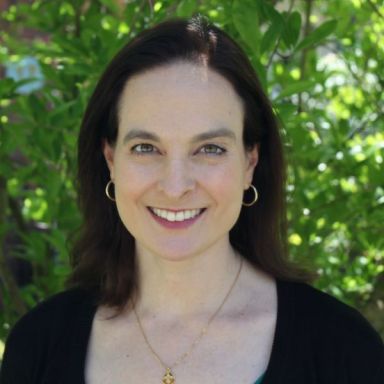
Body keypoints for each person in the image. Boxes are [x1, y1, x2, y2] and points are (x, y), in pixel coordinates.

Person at [0, 16, 383, 384]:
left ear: (250, 162)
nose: (176, 185)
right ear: (111, 160)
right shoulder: (38, 344)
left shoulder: (344, 350)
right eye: (146, 147)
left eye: (210, 149)